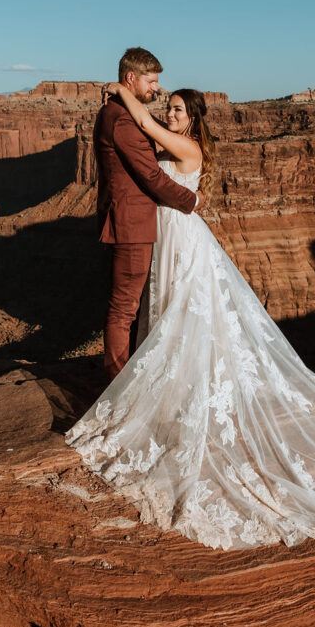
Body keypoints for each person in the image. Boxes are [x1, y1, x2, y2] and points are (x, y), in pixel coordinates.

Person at [66, 85, 315, 550]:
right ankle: (175, 395)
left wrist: (120, 90)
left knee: (184, 315)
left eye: (175, 109)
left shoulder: (186, 145)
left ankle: (185, 401)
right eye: (167, 107)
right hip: (167, 241)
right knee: (171, 318)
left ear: (191, 119)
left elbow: (146, 128)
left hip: (184, 245)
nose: (167, 114)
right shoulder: (172, 142)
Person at [92, 47, 201, 380]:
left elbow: (149, 123)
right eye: (151, 82)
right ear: (131, 78)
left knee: (136, 309)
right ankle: (117, 384)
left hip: (138, 224)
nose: (157, 89)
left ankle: (135, 375)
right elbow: (151, 177)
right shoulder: (123, 121)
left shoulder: (119, 112)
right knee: (125, 309)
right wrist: (192, 201)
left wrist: (120, 90)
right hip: (132, 226)